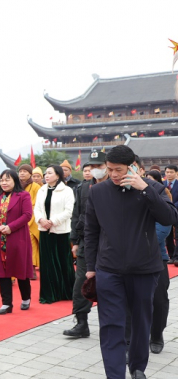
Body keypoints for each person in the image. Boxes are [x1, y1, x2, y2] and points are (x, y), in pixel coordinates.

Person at [85, 146, 178, 379]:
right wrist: (89, 268)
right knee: (111, 325)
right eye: (110, 170)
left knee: (141, 322)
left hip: (145, 269)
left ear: (133, 167)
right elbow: (91, 232)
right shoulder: (98, 192)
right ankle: (115, 374)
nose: (114, 175)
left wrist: (145, 188)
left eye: (119, 170)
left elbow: (170, 218)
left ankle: (137, 367)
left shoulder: (153, 188)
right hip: (108, 269)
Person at [63, 150, 108, 338]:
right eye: (92, 166)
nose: (95, 170)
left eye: (99, 166)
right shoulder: (83, 187)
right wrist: (74, 240)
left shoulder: (115, 186)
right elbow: (76, 214)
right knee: (81, 281)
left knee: (108, 283)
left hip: (109, 242)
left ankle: (111, 325)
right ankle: (81, 322)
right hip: (86, 242)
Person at [0, 170, 33, 314]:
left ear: (15, 181)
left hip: (18, 237)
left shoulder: (23, 195)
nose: (4, 183)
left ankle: (26, 298)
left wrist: (10, 227)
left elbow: (27, 215)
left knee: (21, 268)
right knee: (3, 271)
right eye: (2, 180)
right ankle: (6, 303)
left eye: (7, 180)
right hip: (1, 237)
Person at [35, 165, 75, 304]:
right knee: (47, 264)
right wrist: (41, 220)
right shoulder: (41, 190)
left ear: (58, 175)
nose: (46, 175)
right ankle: (49, 294)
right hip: (44, 231)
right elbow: (37, 208)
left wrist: (52, 221)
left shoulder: (67, 190)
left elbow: (69, 211)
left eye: (50, 173)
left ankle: (66, 292)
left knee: (63, 262)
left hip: (61, 231)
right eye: (45, 173)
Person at [141, 170, 171, 354]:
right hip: (132, 258)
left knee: (159, 299)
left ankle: (157, 334)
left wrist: (142, 242)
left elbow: (164, 227)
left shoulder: (161, 194)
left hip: (156, 256)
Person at [17, 164, 40, 280]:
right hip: (16, 220)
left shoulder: (35, 187)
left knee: (31, 244)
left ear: (30, 174)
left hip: (31, 220)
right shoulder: (16, 186)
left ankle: (32, 268)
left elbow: (37, 205)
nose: (22, 173)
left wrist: (28, 220)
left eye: (25, 171)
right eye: (20, 171)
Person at [163, 164, 178, 263]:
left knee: (177, 235)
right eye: (167, 172)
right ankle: (171, 255)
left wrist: (172, 206)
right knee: (167, 235)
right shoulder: (162, 184)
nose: (169, 174)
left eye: (171, 172)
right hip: (165, 212)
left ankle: (176, 256)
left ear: (176, 173)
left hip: (177, 211)